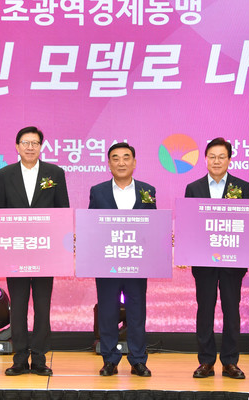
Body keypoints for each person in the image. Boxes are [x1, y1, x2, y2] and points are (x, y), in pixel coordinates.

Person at [0, 126, 70, 376]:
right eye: (25, 143)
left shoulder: (54, 173)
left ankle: (39, 358)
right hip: (15, 250)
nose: (30, 147)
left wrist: (61, 247)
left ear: (41, 147)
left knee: (42, 306)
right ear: (17, 147)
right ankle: (19, 358)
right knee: (18, 306)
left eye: (35, 143)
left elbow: (62, 211)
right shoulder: (5, 174)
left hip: (45, 251)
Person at [184, 137, 249, 380]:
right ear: (205, 159)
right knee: (205, 310)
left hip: (233, 262)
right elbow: (189, 224)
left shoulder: (242, 187)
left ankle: (230, 362)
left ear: (229, 159)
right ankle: (206, 361)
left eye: (221, 157)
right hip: (204, 262)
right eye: (212, 156)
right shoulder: (193, 188)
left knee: (231, 310)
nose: (216, 161)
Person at [88, 142, 156, 377]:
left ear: (134, 162)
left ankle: (138, 360)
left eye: (126, 158)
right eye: (115, 158)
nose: (121, 162)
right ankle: (110, 359)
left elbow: (152, 226)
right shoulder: (98, 191)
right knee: (108, 312)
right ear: (109, 164)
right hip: (107, 262)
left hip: (137, 262)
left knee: (137, 312)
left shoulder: (148, 190)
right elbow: (92, 226)